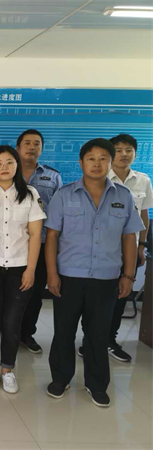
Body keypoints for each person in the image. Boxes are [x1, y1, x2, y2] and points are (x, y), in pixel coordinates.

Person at [45, 138, 144, 408]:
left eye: (103, 159)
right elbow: (52, 236)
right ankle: (60, 379)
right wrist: (52, 274)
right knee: (64, 331)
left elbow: (129, 237)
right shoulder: (64, 194)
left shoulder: (123, 196)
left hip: (106, 278)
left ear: (110, 163)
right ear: (81, 162)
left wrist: (128, 276)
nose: (97, 164)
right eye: (91, 158)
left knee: (98, 334)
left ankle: (97, 384)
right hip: (69, 276)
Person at [0, 146, 46, 393]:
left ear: (17, 165)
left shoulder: (30, 194)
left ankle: (7, 370)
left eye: (9, 162)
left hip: (20, 267)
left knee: (12, 321)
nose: (4, 167)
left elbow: (35, 234)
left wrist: (31, 269)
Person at [104, 134, 152, 362]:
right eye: (119, 150)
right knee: (99, 298)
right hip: (103, 250)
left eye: (129, 150)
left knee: (121, 296)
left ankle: (109, 340)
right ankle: (90, 340)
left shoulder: (143, 180)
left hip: (130, 251)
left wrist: (142, 245)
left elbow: (144, 215)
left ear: (135, 153)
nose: (124, 154)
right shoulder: (100, 177)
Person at [16, 129, 63, 354]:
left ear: (42, 149)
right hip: (11, 243)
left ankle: (27, 334)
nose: (32, 147)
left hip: (43, 243)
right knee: (8, 291)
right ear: (18, 148)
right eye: (27, 143)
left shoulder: (53, 176)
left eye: (36, 143)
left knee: (34, 293)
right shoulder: (5, 170)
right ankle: (7, 333)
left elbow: (58, 212)